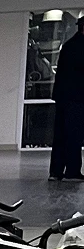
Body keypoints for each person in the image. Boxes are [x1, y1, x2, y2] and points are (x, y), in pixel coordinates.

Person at [50, 20, 84, 179]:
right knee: (73, 135)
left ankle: (56, 171)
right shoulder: (79, 46)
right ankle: (72, 170)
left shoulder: (69, 45)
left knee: (62, 134)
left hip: (65, 97)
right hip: (76, 97)